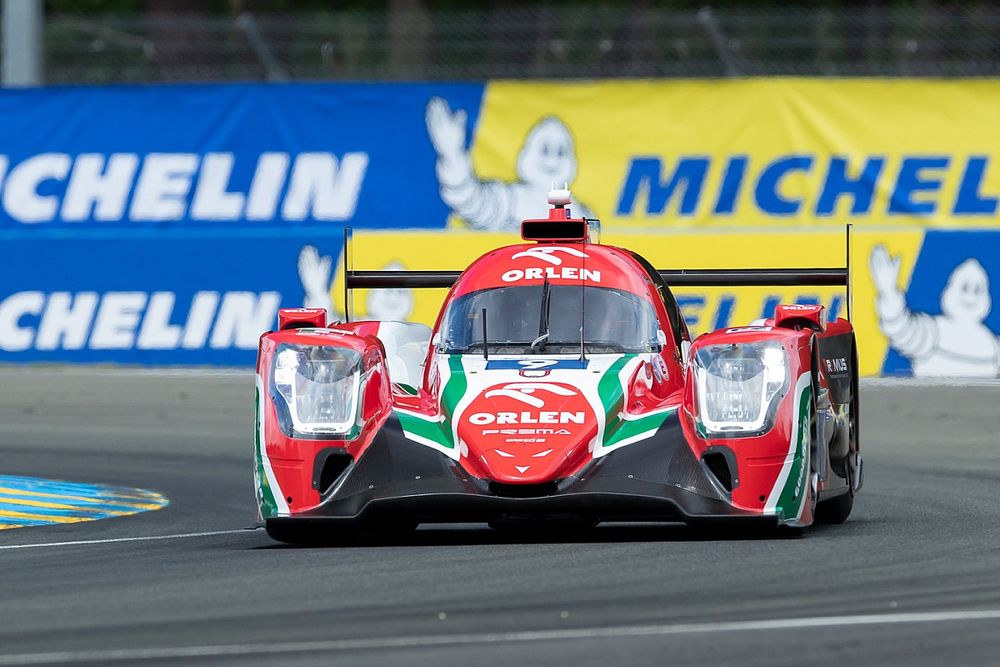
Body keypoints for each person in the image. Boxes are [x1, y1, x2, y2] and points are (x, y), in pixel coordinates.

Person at [425, 97, 594, 231]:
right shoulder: (508, 199)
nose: (552, 160)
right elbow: (468, 199)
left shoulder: (582, 213)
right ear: (527, 153)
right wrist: (452, 154)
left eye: (561, 151)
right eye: (544, 149)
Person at [870, 244, 999, 377]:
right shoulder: (932, 331)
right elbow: (900, 328)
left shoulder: (993, 345)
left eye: (978, 289)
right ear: (947, 290)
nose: (970, 297)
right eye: (964, 287)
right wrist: (889, 293)